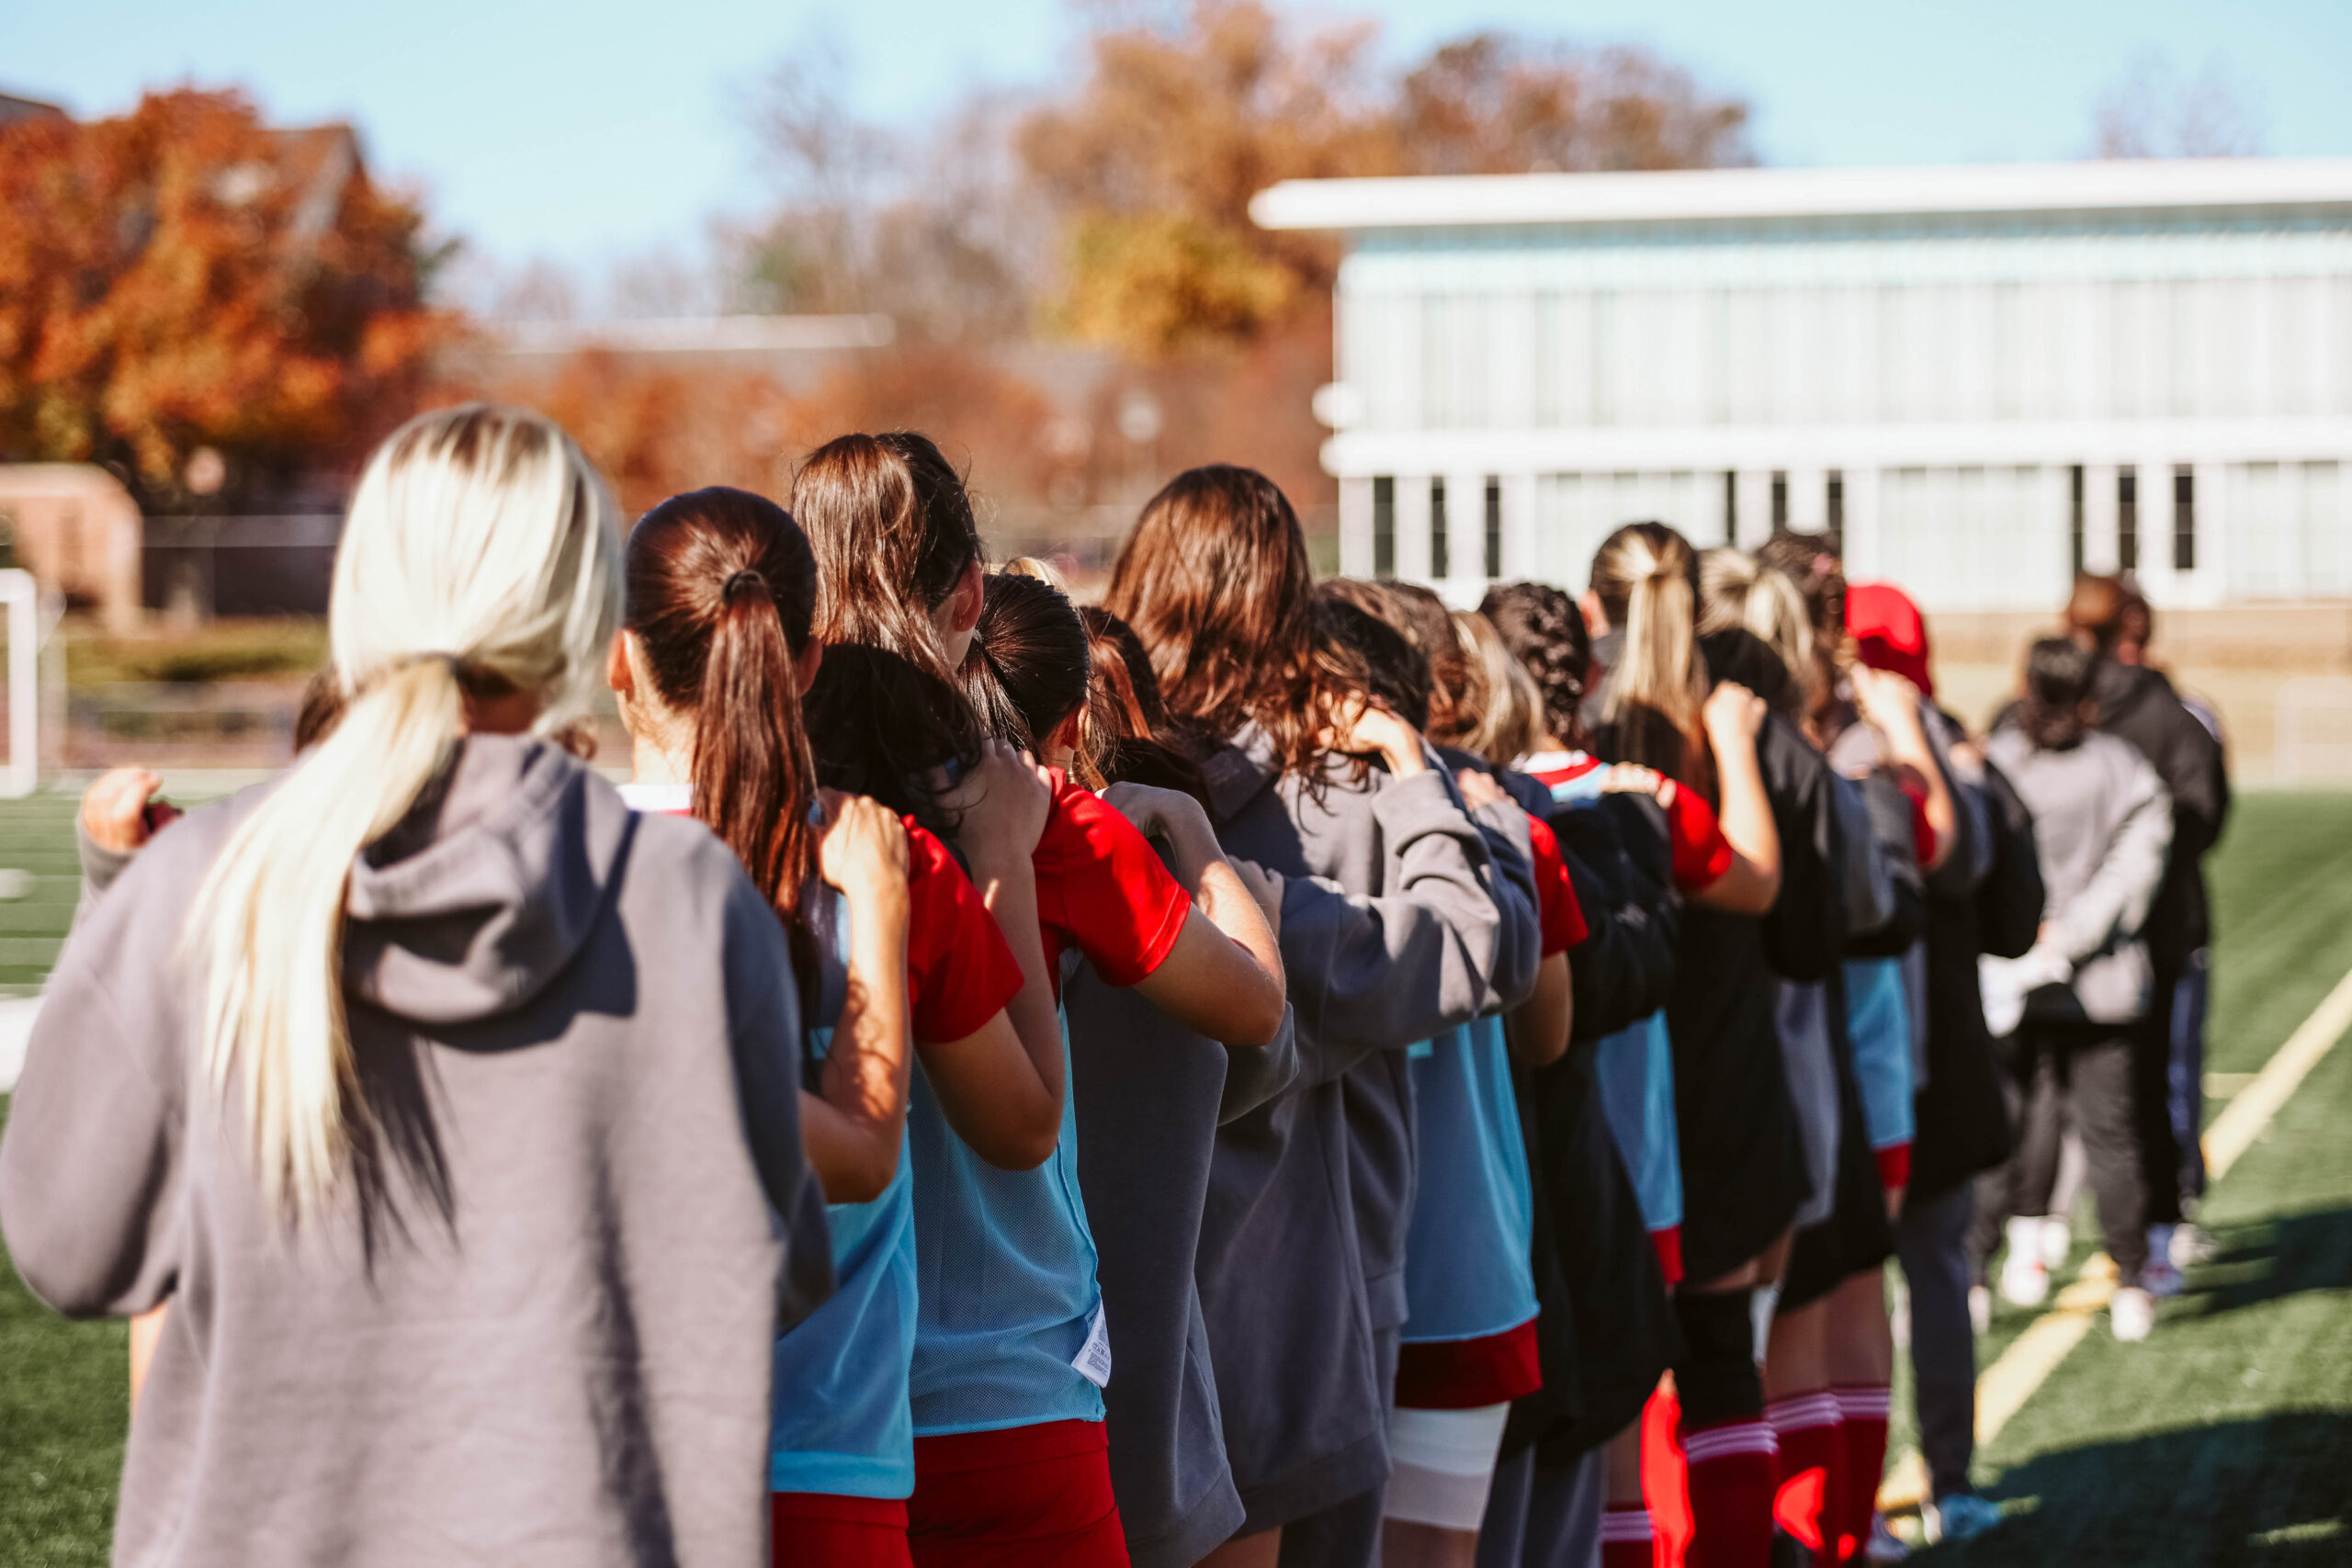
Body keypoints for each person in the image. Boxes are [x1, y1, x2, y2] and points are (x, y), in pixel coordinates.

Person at [0, 404, 835, 1567]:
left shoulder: (208, 885)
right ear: (592, 620)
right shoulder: (688, 901)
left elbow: (65, 1239)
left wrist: (115, 903)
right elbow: (776, 1270)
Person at [795, 433, 1287, 1567]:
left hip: (809, 1404)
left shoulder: (763, 812)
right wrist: (1205, 852)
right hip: (1007, 1400)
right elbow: (1255, 1005)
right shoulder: (1037, 821)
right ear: (972, 593)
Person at [610, 485, 1096, 1567]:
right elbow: (1024, 1125)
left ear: (621, 661)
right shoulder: (887, 866)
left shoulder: (556, 868)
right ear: (812, 661)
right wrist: (1003, 864)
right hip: (833, 1472)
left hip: (601, 1472)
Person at [1103, 466, 1534, 1568]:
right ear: (1285, 598)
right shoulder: (1335, 791)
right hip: (1302, 1284)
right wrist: (1421, 776)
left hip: (1121, 1277)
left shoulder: (1102, 791)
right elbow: (1478, 948)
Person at [956, 565, 1299, 1568]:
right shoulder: (1083, 842)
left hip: (879, 1386)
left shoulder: (872, 831)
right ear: (1071, 726)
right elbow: (1258, 1011)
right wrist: (1198, 848)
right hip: (1088, 1379)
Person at [1845, 581, 2041, 1546]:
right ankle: (1921, 1487)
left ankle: (1928, 1484)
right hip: (1865, 1070)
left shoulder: (1927, 747)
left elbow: (1982, 889)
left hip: (1893, 1072)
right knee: (1893, 1289)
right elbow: (1973, 882)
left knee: (1908, 1282)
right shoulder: (1898, 747)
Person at [1978, 637, 2174, 1344]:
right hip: (2089, 979)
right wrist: (2073, 935)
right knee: (2109, 1131)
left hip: (2027, 974)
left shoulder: (1998, 761)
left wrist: (2045, 939)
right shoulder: (2119, 768)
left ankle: (1980, 1271)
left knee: (2012, 1128)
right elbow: (2137, 864)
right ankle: (2129, 1277)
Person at [2064, 575, 2231, 1281]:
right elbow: (2205, 813)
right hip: (2158, 932)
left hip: (2066, 931)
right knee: (2161, 1078)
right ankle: (2162, 1224)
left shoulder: (2051, 702)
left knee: (2074, 1086)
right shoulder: (2174, 712)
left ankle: (2040, 1232)